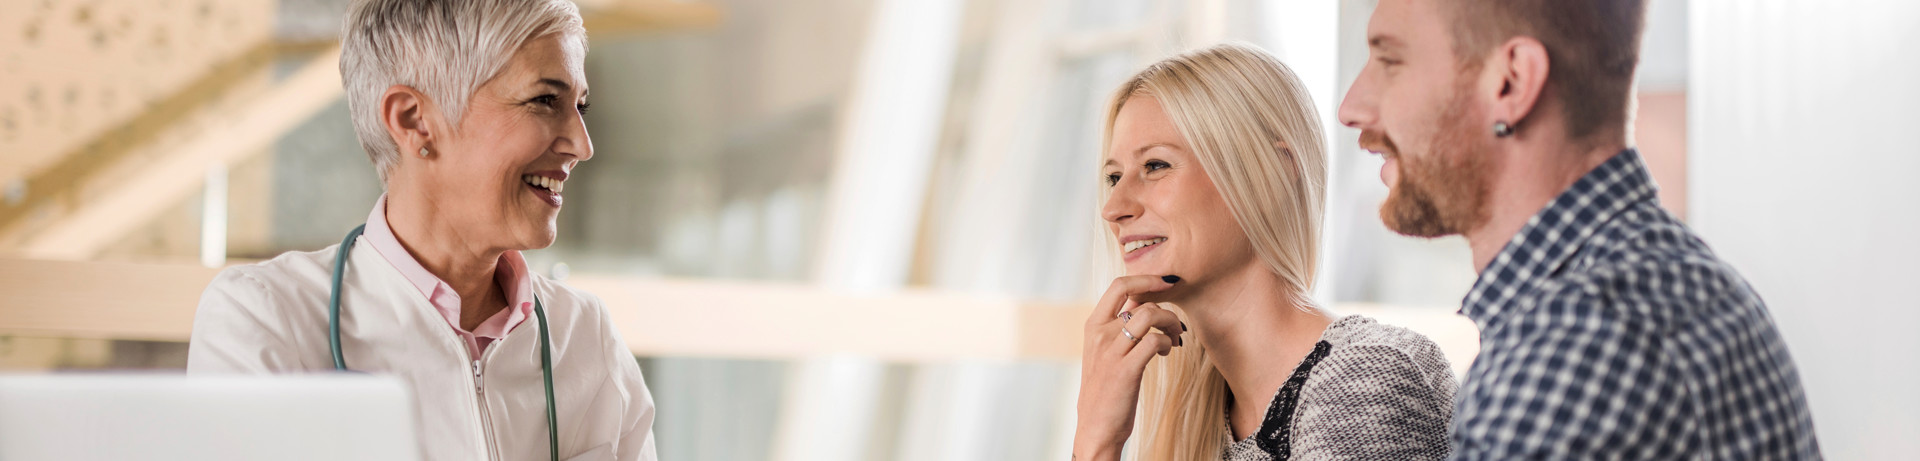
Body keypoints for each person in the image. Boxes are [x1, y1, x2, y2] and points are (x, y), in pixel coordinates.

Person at [1337, 0, 1821, 459]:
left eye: (1390, 61)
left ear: (1511, 81)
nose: (1352, 107)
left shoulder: (1576, 348)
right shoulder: (1673, 282)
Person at [186, 1, 657, 460]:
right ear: (414, 121)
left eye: (580, 106)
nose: (582, 144)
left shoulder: (586, 337)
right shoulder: (264, 321)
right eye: (545, 101)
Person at [1072, 43, 1456, 461]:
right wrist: (1096, 438)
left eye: (1156, 166)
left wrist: (1097, 447)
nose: (1114, 208)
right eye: (1114, 177)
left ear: (1270, 176)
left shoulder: (1360, 382)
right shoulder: (1210, 424)